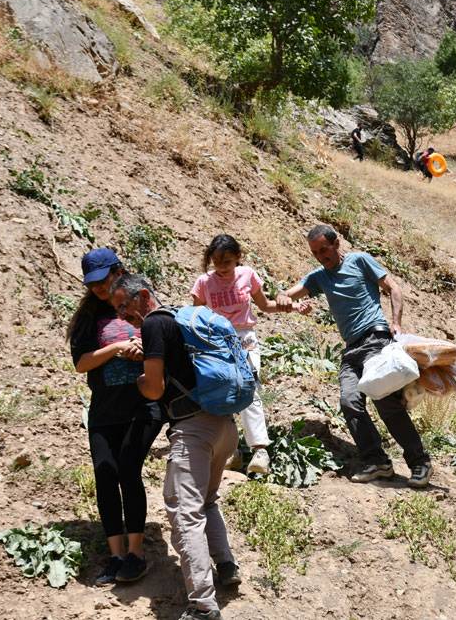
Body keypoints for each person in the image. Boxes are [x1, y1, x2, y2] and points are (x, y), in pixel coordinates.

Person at [111, 274, 240, 620]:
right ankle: (226, 565)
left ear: (143, 296)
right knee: (207, 500)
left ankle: (202, 605)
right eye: (117, 310)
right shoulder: (179, 319)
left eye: (124, 305)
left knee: (185, 512)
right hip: (224, 425)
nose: (122, 315)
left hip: (193, 430)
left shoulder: (154, 324)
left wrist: (140, 378)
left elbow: (153, 390)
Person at [275, 224, 433, 487]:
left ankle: (420, 463)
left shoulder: (359, 261)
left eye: (324, 249)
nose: (321, 256)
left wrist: (396, 321)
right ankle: (378, 462)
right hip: (352, 349)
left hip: (375, 339)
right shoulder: (319, 277)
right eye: (315, 253)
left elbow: (392, 287)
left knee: (385, 402)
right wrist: (282, 297)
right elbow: (291, 292)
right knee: (349, 401)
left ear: (337, 244)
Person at [68, 248, 163, 586]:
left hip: (143, 407)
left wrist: (143, 353)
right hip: (104, 411)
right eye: (92, 284)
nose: (99, 289)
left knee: (128, 469)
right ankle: (116, 555)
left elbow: (163, 344)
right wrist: (115, 349)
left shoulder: (140, 301)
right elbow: (81, 364)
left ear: (118, 271)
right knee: (105, 474)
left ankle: (136, 553)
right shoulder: (88, 318)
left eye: (103, 280)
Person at [191, 235, 309, 475]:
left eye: (227, 261)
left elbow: (265, 305)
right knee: (222, 391)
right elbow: (195, 317)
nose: (221, 267)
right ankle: (230, 450)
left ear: (238, 258)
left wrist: (294, 307)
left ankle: (259, 450)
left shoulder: (248, 275)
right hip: (217, 340)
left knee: (249, 387)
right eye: (216, 262)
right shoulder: (203, 282)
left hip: (245, 338)